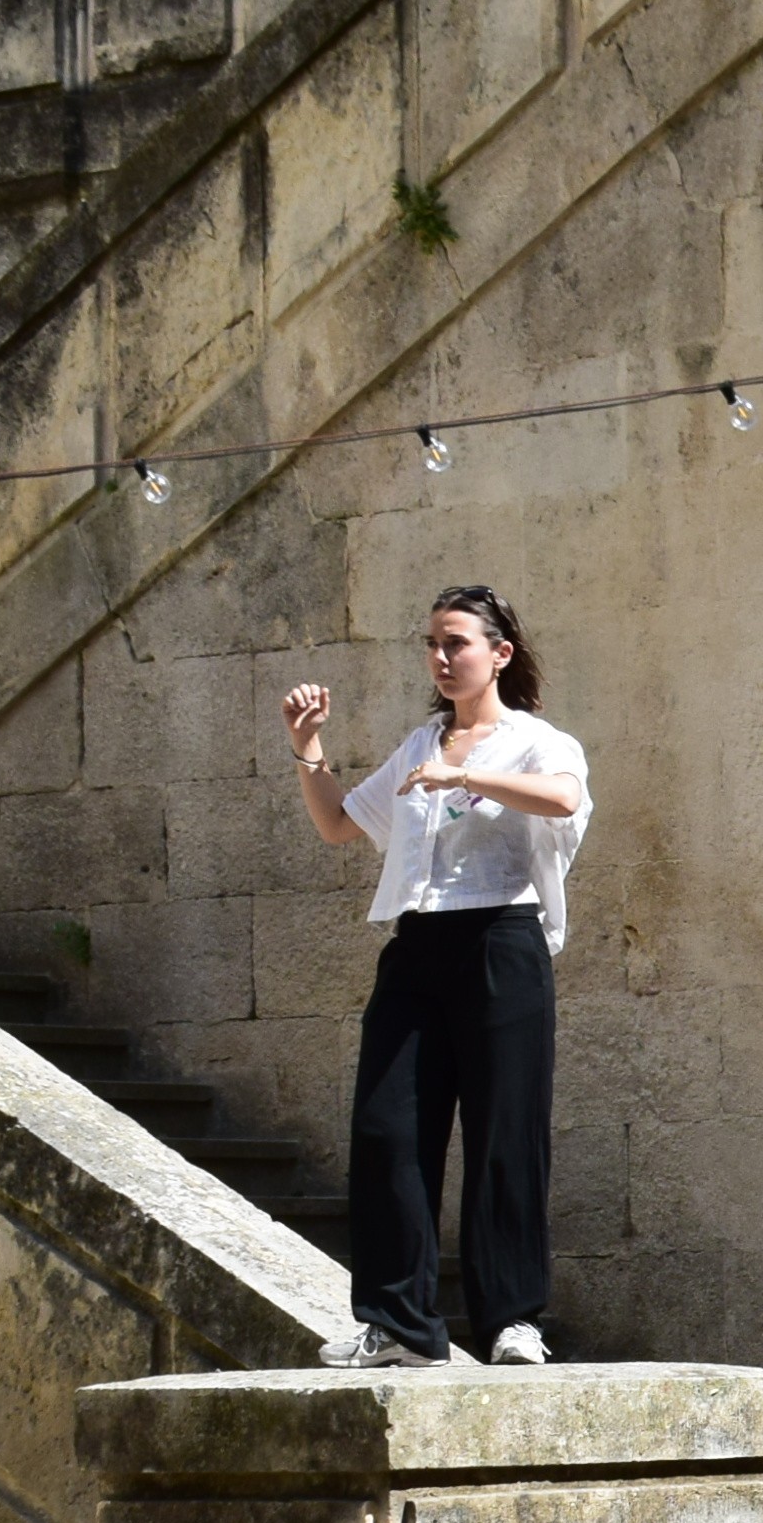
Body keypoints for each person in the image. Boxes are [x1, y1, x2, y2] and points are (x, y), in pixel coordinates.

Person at [278, 587, 589, 1370]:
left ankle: (512, 1322)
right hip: (417, 945)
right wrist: (309, 749)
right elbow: (339, 824)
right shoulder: (422, 743)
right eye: (432, 644)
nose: (442, 658)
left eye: (457, 643)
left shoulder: (536, 741)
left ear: (499, 654)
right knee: (388, 1129)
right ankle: (399, 1325)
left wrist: (465, 778)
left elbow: (563, 798)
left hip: (501, 940)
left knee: (505, 1133)